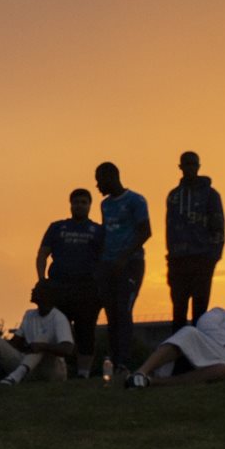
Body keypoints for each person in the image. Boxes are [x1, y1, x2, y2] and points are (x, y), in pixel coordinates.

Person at [127, 292, 225, 389]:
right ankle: (141, 372)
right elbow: (204, 323)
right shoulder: (221, 314)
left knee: (222, 371)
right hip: (203, 347)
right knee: (189, 332)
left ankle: (154, 382)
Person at [36, 188, 103, 379]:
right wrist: (42, 281)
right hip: (59, 286)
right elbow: (42, 254)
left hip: (87, 288)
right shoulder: (57, 227)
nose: (79, 205)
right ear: (70, 204)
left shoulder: (98, 231)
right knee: (58, 330)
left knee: (86, 331)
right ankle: (57, 372)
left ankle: (83, 374)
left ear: (90, 205)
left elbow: (105, 259)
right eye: (76, 202)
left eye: (83, 202)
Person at [94, 162, 152, 379]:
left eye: (99, 180)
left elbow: (145, 231)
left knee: (123, 310)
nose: (97, 185)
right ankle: (115, 361)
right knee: (111, 314)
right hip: (108, 266)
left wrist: (124, 257)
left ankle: (125, 362)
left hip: (131, 264)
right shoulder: (105, 205)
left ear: (111, 177)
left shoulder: (136, 200)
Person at [0, 281, 75, 385]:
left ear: (47, 295)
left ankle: (15, 377)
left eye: (37, 288)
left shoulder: (58, 318)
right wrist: (1, 346)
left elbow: (67, 348)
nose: (32, 290)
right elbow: (15, 343)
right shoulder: (29, 315)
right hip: (29, 368)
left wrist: (42, 346)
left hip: (51, 371)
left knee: (39, 344)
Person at [164, 151, 225, 330]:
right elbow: (169, 228)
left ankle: (198, 354)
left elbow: (218, 226)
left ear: (198, 166)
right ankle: (180, 356)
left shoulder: (210, 194)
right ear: (180, 167)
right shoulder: (174, 196)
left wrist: (213, 257)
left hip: (202, 258)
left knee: (200, 311)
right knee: (178, 311)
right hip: (178, 260)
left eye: (193, 164)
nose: (189, 167)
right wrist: (171, 257)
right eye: (186, 164)